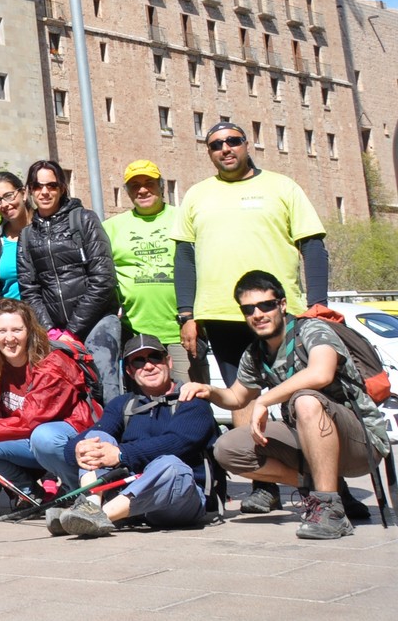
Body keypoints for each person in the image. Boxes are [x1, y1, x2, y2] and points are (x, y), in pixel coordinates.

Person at [173, 121, 330, 516]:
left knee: (303, 396)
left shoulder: (282, 187)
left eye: (233, 141)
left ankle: (330, 482)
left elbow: (312, 246)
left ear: (247, 144)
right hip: (221, 313)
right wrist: (187, 313)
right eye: (216, 144)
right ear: (208, 152)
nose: (225, 148)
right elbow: (184, 258)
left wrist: (319, 304)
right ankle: (264, 485)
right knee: (242, 398)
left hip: (280, 312)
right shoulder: (197, 195)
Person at [183, 271, 390, 540]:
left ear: (282, 305)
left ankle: (330, 511)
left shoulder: (312, 331)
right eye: (249, 309)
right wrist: (209, 390)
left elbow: (321, 373)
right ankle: (326, 488)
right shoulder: (256, 353)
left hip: (362, 444)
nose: (258, 314)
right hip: (308, 437)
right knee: (228, 449)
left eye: (266, 305)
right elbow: (236, 397)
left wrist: (265, 399)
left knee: (306, 400)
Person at [48, 334, 216, 538]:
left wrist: (120, 454)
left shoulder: (192, 401)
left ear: (168, 362)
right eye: (138, 361)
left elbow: (177, 443)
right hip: (131, 497)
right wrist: (77, 449)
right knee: (97, 438)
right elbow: (92, 435)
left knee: (171, 465)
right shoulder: (122, 404)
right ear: (129, 370)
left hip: (180, 497)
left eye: (155, 357)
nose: (148, 366)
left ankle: (95, 516)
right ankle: (90, 506)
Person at [0, 299, 100, 492]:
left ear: (29, 331)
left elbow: (30, 420)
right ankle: (28, 493)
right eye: (1, 331)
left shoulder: (52, 364)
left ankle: (81, 490)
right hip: (25, 437)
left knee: (43, 437)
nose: (9, 338)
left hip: (66, 435)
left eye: (16, 330)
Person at [17, 160, 121, 400]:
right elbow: (29, 289)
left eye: (51, 185)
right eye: (38, 186)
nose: (44, 192)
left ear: (62, 188)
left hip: (96, 321)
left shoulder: (84, 220)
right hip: (55, 330)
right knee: (63, 396)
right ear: (30, 190)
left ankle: (112, 425)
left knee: (105, 390)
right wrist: (51, 331)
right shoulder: (27, 235)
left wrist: (72, 331)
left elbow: (103, 279)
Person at [102, 161, 192, 382]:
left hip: (181, 331)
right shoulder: (111, 227)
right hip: (135, 333)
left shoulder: (184, 217)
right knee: (142, 399)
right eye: (135, 185)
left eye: (148, 183)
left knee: (190, 394)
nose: (142, 190)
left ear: (161, 186)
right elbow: (101, 274)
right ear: (127, 191)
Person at [0, 172, 30, 301]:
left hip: (47, 312)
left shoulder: (47, 229)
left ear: (24, 193)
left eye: (9, 196)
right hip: (10, 311)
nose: (4, 204)